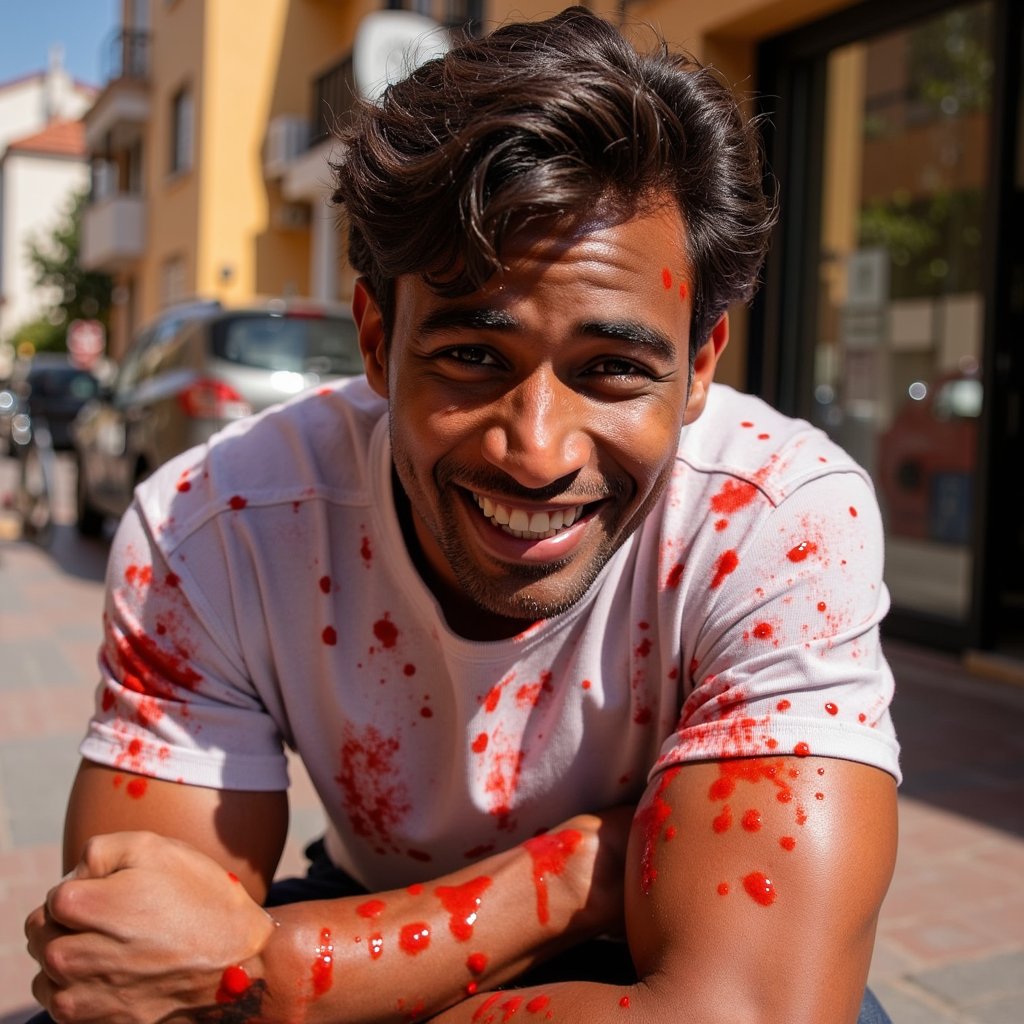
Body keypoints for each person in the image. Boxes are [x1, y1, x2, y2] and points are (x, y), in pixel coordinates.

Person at [24, 7, 899, 1023]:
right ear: (374, 337)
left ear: (699, 364)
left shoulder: (781, 520)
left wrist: (287, 979)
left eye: (612, 369)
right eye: (471, 356)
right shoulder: (213, 523)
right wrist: (575, 874)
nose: (537, 449)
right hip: (375, 904)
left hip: (614, 930)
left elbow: (747, 1007)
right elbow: (141, 970)